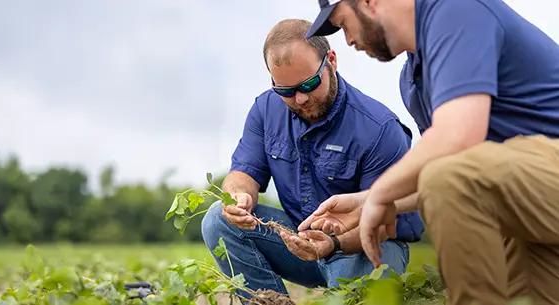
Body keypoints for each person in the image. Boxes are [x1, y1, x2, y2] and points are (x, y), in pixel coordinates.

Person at [301, 0, 559, 304]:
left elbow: (458, 143)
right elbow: (449, 177)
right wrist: (367, 201)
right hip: (529, 207)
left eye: (344, 24)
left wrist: (382, 192)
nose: (348, 41)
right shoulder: (412, 81)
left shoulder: (456, 9)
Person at [200, 19, 423, 298]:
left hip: (363, 245)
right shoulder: (265, 110)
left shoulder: (379, 129)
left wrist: (333, 243)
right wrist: (239, 197)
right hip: (300, 241)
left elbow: (385, 224)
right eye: (285, 91)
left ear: (331, 60)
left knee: (353, 284)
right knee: (217, 220)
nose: (300, 99)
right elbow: (244, 173)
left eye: (309, 85)